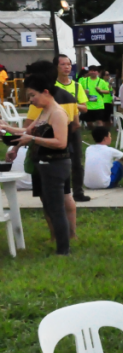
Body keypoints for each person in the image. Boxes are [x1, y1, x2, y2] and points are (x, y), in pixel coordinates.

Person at [0, 69, 71, 255]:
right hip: (42, 164)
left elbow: (60, 142)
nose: (31, 100)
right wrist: (12, 142)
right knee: (49, 206)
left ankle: (64, 249)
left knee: (56, 208)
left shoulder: (57, 113)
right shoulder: (44, 112)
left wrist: (32, 140)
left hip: (56, 165)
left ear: (46, 92)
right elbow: (28, 132)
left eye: (32, 95)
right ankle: (60, 245)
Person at [53, 54, 90, 202]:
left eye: (68, 64)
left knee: (77, 161)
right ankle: (62, 192)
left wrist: (71, 104)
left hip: (73, 126)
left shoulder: (76, 86)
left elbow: (84, 108)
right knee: (60, 161)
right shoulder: (52, 86)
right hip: (56, 127)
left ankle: (78, 192)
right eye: (63, 64)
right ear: (56, 67)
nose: (67, 67)